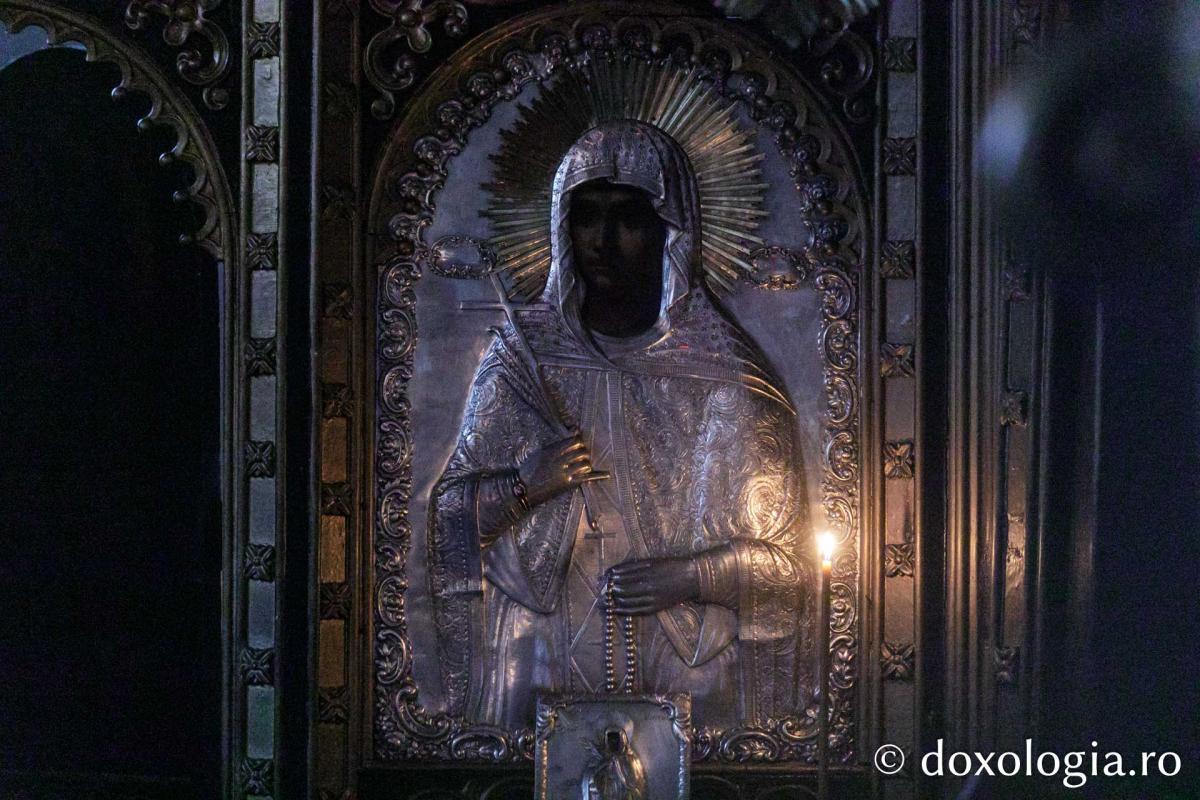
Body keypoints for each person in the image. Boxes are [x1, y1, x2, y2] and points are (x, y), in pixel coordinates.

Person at [427, 120, 814, 729]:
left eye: (629, 219)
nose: (601, 242)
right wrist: (523, 486)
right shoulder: (522, 361)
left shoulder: (725, 378)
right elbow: (448, 517)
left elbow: (790, 568)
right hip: (538, 660)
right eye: (586, 217)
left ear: (670, 230)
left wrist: (692, 575)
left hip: (684, 668)